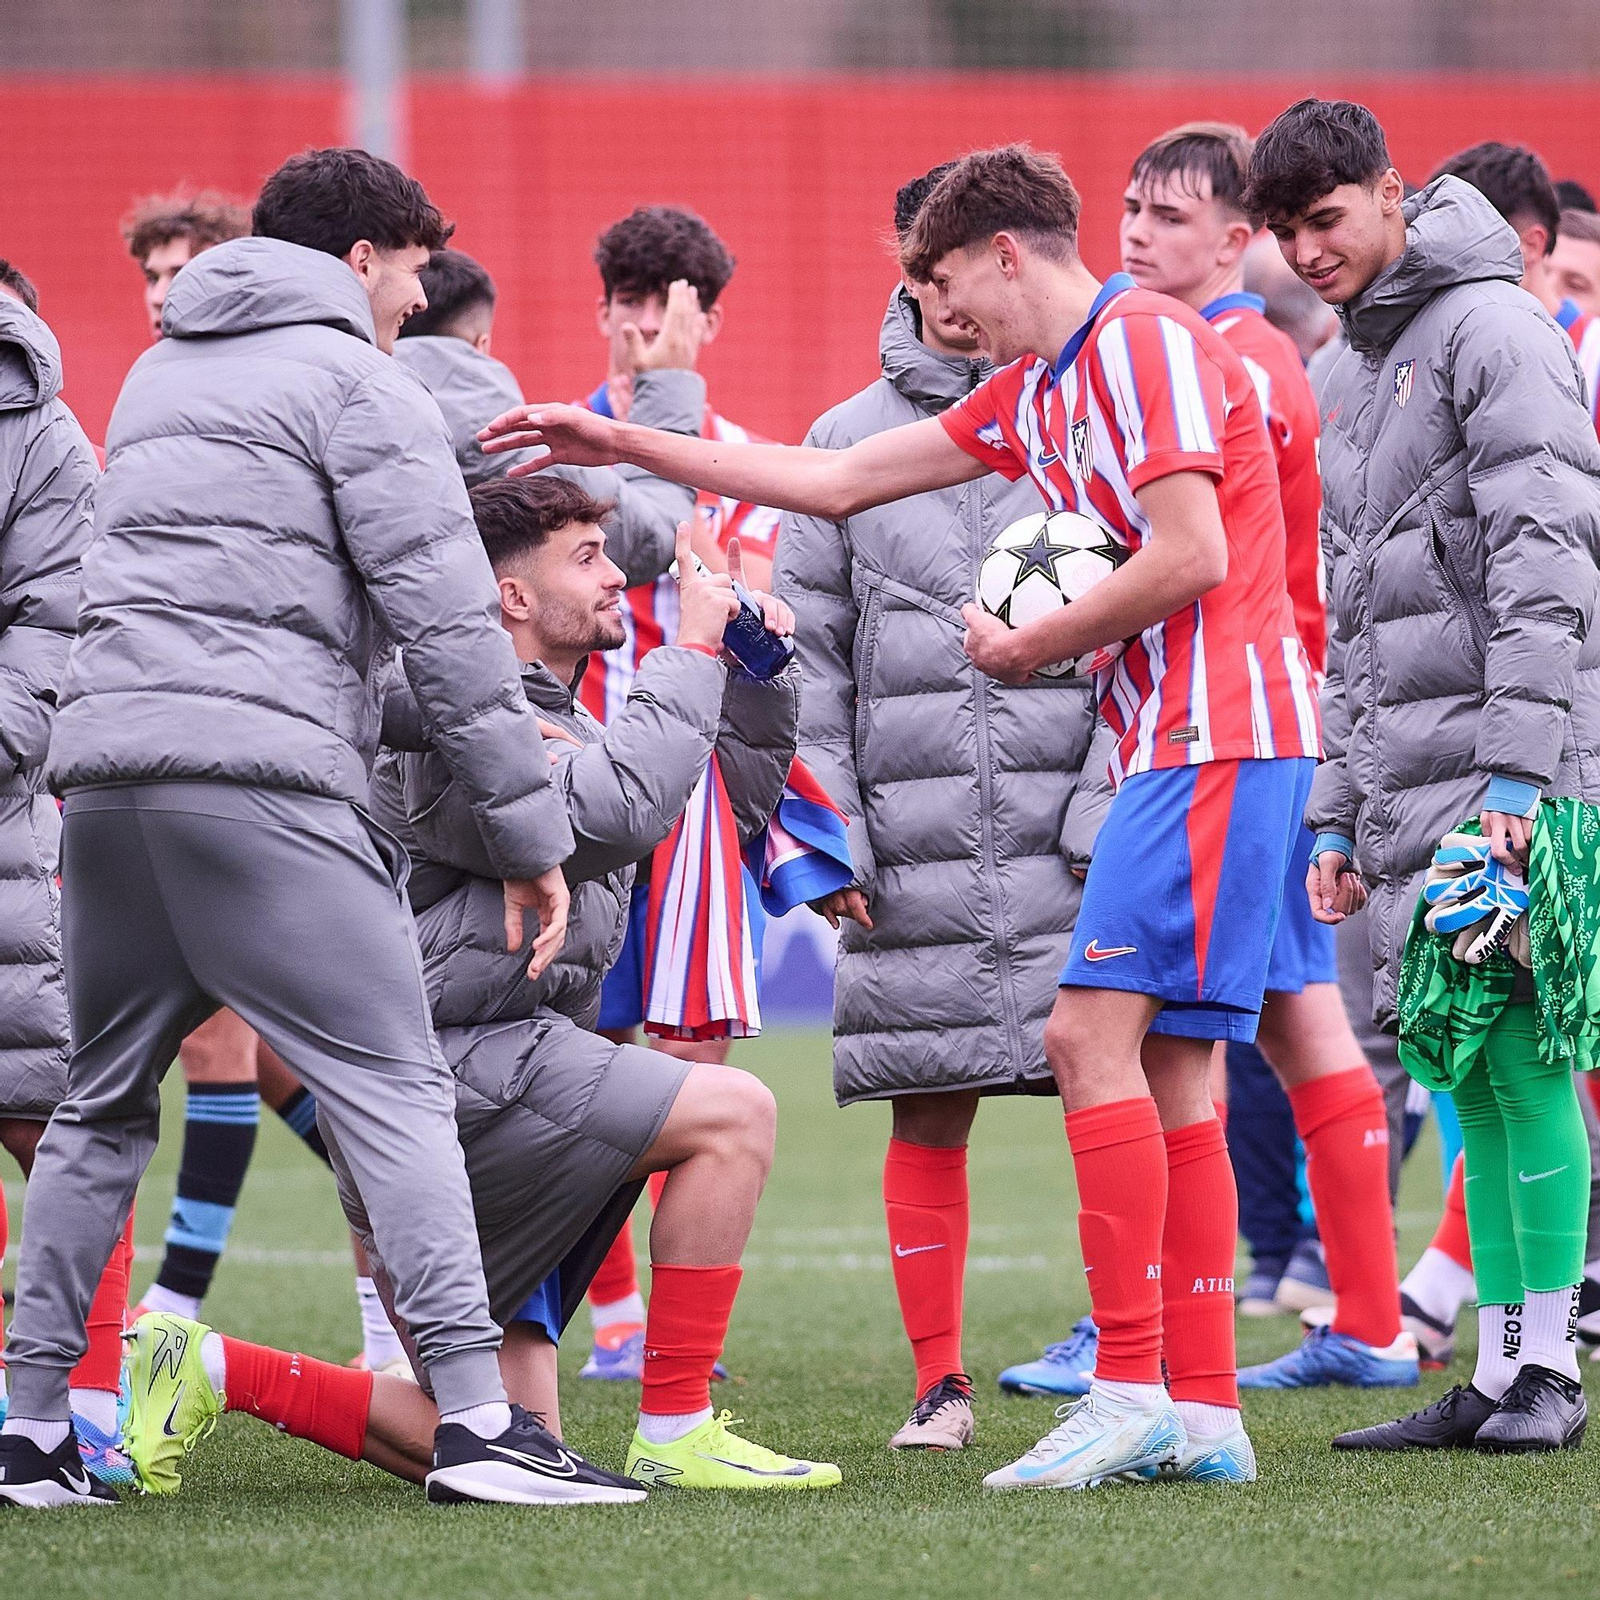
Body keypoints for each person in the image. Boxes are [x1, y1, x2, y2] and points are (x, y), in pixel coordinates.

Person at [484, 141, 1324, 1490]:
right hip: (1189, 742)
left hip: (1210, 739)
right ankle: (1205, 1413)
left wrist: (1030, 643)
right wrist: (618, 439)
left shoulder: (1146, 344)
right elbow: (839, 483)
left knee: (1084, 1034)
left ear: (1003, 255)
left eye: (945, 283)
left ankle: (1126, 1385)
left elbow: (1196, 554)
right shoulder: (1040, 388)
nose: (945, 316)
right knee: (1172, 1069)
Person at [0, 147, 579, 1510]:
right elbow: (447, 630)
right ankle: (483, 1430)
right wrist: (527, 832)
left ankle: (24, 1428)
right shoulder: (359, 384)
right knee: (396, 1091)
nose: (423, 292)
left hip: (112, 791)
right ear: (362, 261)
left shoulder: (154, 374)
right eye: (417, 264)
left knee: (93, 1108)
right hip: (262, 792)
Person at [121, 478, 839, 1498]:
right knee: (735, 1113)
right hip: (454, 1074)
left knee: (496, 1439)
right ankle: (676, 1420)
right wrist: (685, 650)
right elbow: (612, 814)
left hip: (480, 1083)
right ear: (510, 595)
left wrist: (754, 681)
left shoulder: (556, 716)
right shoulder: (447, 717)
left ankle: (210, 1364)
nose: (612, 572)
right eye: (584, 556)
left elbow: (715, 816)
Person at [1248, 96, 1600, 1452]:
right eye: (1286, 231)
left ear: (1395, 195)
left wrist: (1517, 787)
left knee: (1525, 1069)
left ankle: (1546, 1377)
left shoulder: (1498, 330)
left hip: (1513, 777)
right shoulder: (1344, 368)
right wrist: (1337, 809)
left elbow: (1548, 568)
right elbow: (1348, 624)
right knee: (1471, 1078)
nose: (1307, 250)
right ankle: (1503, 1377)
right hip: (1409, 786)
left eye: (1326, 219)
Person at [773, 164, 1097, 1449]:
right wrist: (832, 829)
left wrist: (1105, 807)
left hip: (1074, 830)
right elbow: (803, 663)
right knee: (928, 1096)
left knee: (1115, 1086)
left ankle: (1135, 1360)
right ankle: (938, 1382)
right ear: (916, 273)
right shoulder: (841, 437)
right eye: (930, 264)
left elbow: (1154, 632)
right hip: (906, 843)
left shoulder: (1091, 413)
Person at [1107, 121, 1412, 1392]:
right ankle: (1372, 1322)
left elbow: (1214, 556)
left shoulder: (1220, 355)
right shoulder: (1259, 349)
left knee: (1143, 1034)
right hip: (1275, 716)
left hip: (1235, 729)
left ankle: (1160, 1352)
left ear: (1237, 242)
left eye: (1169, 217)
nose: (1134, 234)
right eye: (1129, 208)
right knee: (1300, 1026)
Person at [120, 186, 345, 1343]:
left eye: (184, 270)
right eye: (150, 275)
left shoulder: (288, 397)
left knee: (218, 1038)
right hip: (159, 748)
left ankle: (170, 1310)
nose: (165, 294)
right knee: (263, 1060)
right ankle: (406, 1232)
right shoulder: (142, 402)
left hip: (245, 758)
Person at [573, 206, 785, 1384]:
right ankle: (605, 1319)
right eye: (628, 298)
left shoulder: (740, 458)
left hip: (691, 797)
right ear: (602, 306)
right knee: (577, 1040)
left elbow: (749, 613)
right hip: (573, 782)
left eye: (669, 302)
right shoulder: (556, 443)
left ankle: (672, 1339)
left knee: (690, 1060)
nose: (644, 323)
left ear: (708, 318)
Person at [0, 261, 129, 1487]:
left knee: (63, 1107)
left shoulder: (42, 436)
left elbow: (53, 636)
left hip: (20, 831)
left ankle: (85, 1406)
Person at [1432, 143, 1600, 437]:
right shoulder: (1441, 348)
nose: (1447, 260)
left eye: (1465, 241)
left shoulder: (1592, 355)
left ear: (1529, 245)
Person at [120, 189, 251, 342]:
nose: (157, 298)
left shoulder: (269, 362)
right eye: (153, 279)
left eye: (181, 277)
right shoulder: (146, 365)